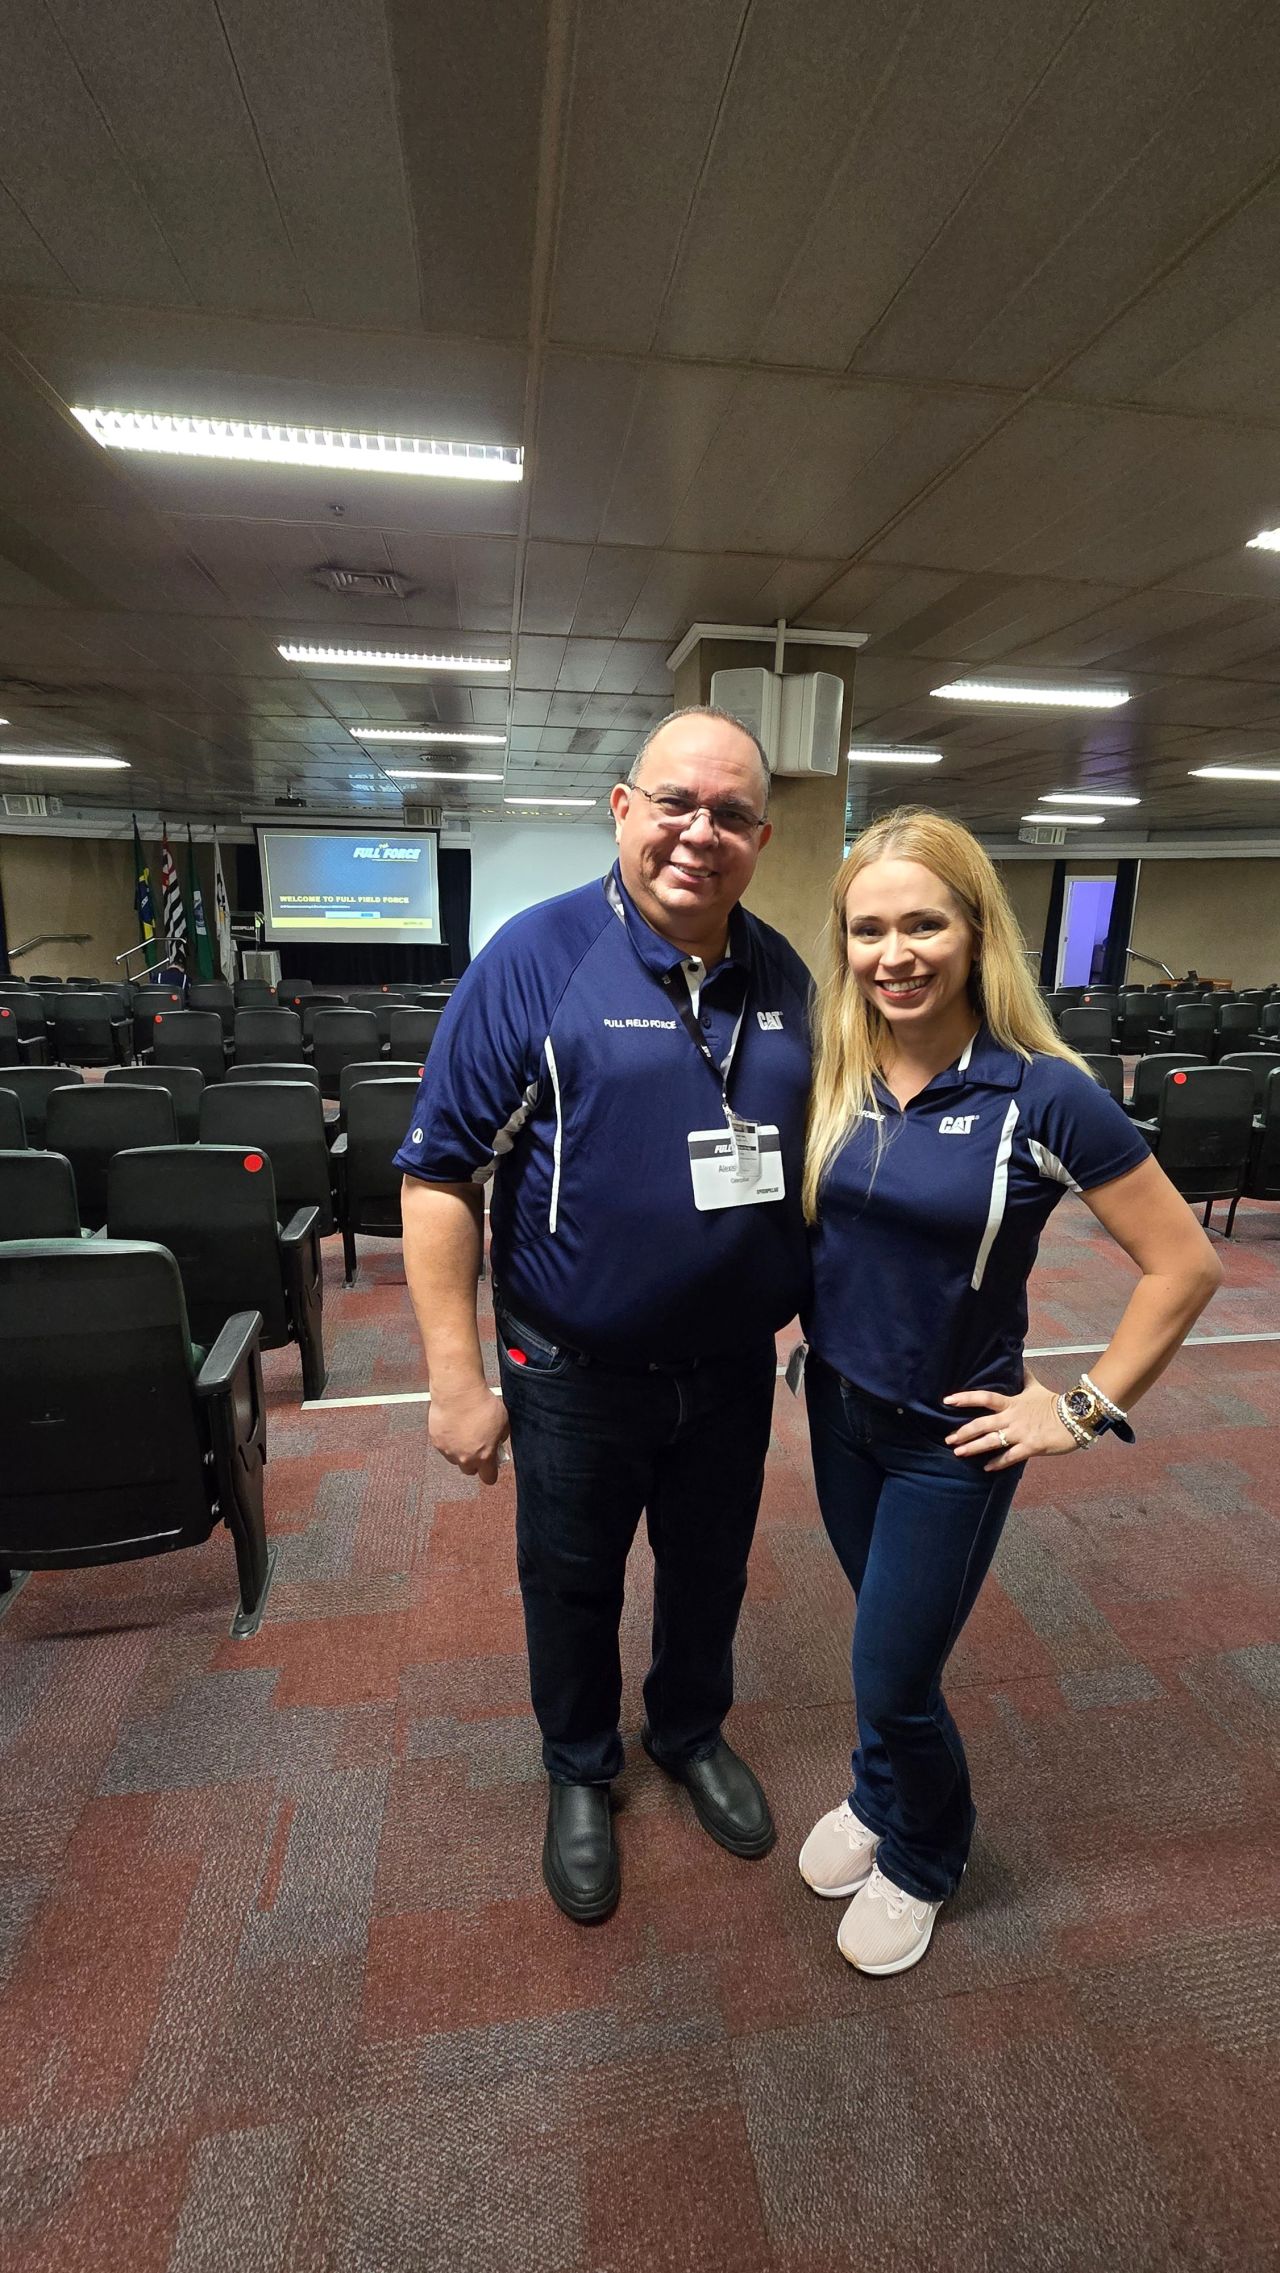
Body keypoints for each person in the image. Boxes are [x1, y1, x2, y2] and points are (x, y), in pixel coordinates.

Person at [396, 707, 813, 1923]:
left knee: (707, 1571)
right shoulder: (533, 958)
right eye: (676, 802)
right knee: (570, 1580)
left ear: (761, 835)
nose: (701, 833)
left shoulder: (783, 974)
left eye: (730, 813)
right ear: (622, 808)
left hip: (732, 1364)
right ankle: (580, 1766)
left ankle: (686, 1730)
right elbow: (436, 1175)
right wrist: (455, 1378)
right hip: (573, 1366)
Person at [796, 808, 1221, 1976]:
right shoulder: (835, 1067)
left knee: (890, 1670)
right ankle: (877, 1793)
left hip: (953, 1438)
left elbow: (1184, 1265)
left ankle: (926, 1853)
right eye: (868, 928)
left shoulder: (1042, 1092)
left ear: (975, 929)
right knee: (885, 1647)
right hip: (831, 1408)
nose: (894, 952)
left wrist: (1077, 1407)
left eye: (921, 922)